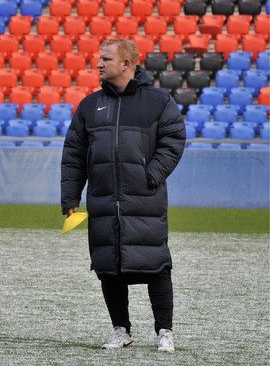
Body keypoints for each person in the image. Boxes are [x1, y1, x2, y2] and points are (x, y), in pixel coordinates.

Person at [60, 38, 186, 352]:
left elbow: (174, 141)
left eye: (105, 59)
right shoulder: (89, 105)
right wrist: (70, 198)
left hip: (144, 199)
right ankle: (121, 331)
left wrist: (151, 175)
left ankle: (164, 332)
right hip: (103, 201)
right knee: (108, 266)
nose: (99, 64)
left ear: (126, 64)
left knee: (156, 264)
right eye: (99, 58)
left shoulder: (158, 101)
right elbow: (74, 154)